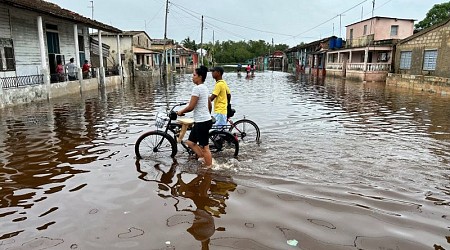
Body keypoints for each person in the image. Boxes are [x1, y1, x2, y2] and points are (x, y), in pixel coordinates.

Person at [176, 66, 213, 167]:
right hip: (202, 120)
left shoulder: (197, 89)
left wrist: (180, 112)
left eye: (194, 75)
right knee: (190, 142)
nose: (192, 77)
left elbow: (191, 107)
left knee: (205, 148)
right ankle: (203, 160)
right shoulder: (205, 88)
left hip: (202, 122)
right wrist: (208, 114)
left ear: (200, 77)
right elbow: (209, 103)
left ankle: (209, 169)